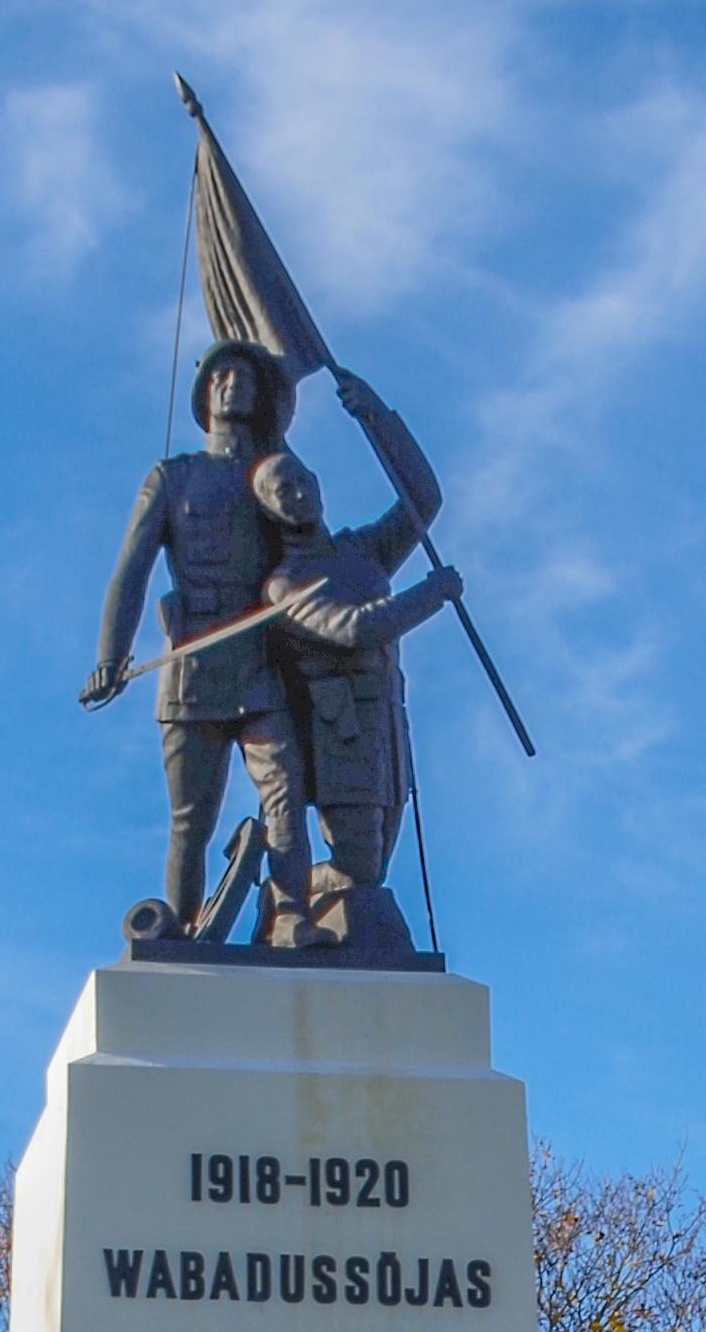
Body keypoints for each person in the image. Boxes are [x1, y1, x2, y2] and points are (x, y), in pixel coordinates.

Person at [82, 339, 307, 938]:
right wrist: (110, 657)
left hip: (260, 666)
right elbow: (131, 569)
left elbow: (312, 555)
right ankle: (180, 933)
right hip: (192, 668)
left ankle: (293, 915)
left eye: (245, 376)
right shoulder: (172, 476)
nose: (233, 383)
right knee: (191, 823)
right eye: (221, 375)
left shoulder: (275, 479)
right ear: (205, 393)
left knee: (285, 792)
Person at [252, 380, 461, 953]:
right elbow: (354, 630)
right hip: (338, 729)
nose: (294, 493)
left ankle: (297, 896)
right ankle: (284, 892)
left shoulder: (360, 551)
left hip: (388, 726)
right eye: (279, 490)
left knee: (373, 872)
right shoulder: (284, 582)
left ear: (317, 485)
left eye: (300, 480)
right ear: (268, 509)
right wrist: (429, 595)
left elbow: (423, 499)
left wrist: (376, 417)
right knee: (360, 871)